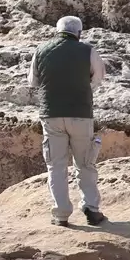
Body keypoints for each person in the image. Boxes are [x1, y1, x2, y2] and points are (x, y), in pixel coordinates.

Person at [29, 16, 107, 227]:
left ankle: (61, 215)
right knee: (85, 164)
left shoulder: (41, 50)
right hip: (81, 114)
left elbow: (33, 82)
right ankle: (91, 210)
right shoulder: (88, 50)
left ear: (57, 31)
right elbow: (98, 78)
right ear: (79, 33)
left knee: (56, 166)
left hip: (51, 115)